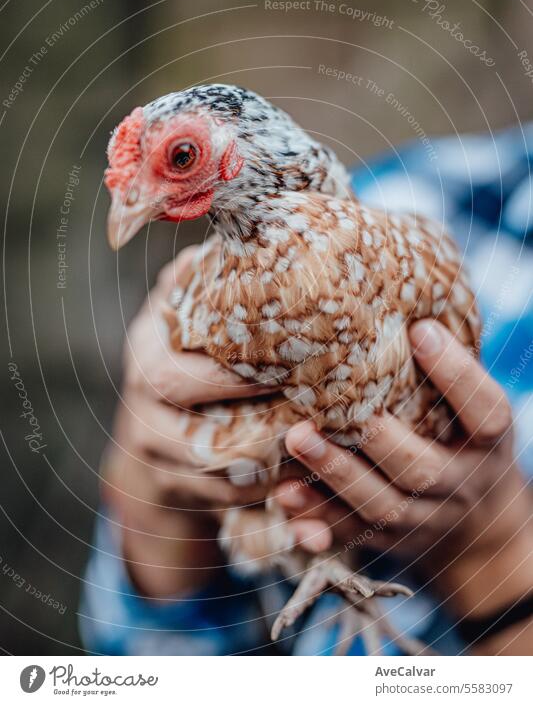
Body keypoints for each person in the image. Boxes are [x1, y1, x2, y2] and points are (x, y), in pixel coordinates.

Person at [80, 123, 533, 655]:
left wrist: (493, 553)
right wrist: (154, 490)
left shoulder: (426, 244)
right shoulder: (420, 187)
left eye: (181, 157)